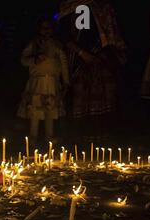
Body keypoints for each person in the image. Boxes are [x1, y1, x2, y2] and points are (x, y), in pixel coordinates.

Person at [58, 0, 126, 144]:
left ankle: (104, 143)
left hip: (103, 58)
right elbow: (66, 36)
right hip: (81, 61)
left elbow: (111, 35)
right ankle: (81, 144)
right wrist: (82, 53)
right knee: (82, 98)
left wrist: (107, 54)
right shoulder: (75, 6)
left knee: (105, 98)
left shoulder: (103, 6)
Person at [17, 17, 69, 143]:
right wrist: (34, 59)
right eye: (43, 28)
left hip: (52, 82)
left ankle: (49, 136)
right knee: (35, 108)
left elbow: (63, 63)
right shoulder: (33, 44)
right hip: (37, 82)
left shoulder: (57, 45)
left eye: (48, 28)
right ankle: (33, 136)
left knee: (50, 108)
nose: (46, 31)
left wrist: (66, 81)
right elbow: (23, 60)